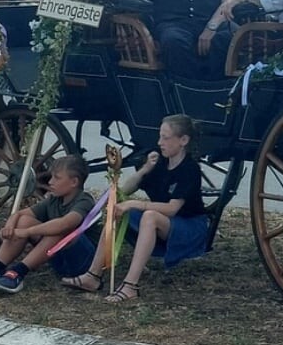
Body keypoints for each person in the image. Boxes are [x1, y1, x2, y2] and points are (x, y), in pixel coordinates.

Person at [64, 114, 213, 302]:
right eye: (160, 137)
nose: (159, 143)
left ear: (183, 140)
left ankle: (130, 286)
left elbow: (172, 209)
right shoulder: (160, 162)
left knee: (150, 216)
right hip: (165, 221)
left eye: (165, 138)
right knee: (118, 209)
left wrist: (136, 204)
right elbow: (126, 190)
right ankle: (93, 275)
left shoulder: (189, 169)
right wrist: (145, 170)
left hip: (190, 226)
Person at [0, 155, 95, 294]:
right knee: (24, 220)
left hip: (82, 263)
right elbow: (19, 214)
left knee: (59, 230)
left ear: (74, 182)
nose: (50, 182)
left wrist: (27, 232)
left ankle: (19, 271)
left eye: (57, 178)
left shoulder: (84, 200)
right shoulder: (54, 200)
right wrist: (9, 226)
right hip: (58, 257)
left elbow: (65, 224)